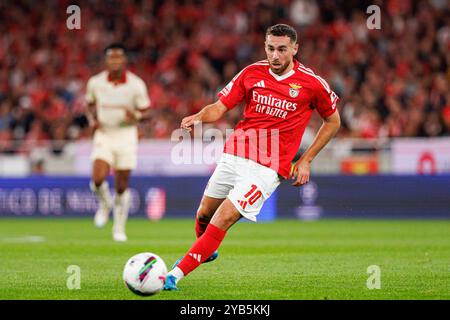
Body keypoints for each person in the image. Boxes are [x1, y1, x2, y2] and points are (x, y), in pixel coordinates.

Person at [163, 24, 341, 290]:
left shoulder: (312, 83)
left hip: (268, 169)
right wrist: (200, 116)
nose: (275, 55)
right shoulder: (251, 73)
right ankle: (205, 250)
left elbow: (333, 121)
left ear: (295, 49)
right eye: (271, 48)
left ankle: (173, 275)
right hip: (235, 154)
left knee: (223, 218)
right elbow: (220, 106)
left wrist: (306, 160)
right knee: (204, 214)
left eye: (282, 49)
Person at [85, 43, 151, 242]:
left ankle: (119, 228)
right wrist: (92, 120)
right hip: (104, 134)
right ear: (106, 61)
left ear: (124, 60)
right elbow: (89, 105)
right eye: (111, 58)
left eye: (118, 58)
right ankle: (105, 204)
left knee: (121, 186)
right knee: (97, 178)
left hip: (126, 135)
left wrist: (137, 116)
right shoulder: (96, 83)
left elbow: (147, 112)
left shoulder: (136, 84)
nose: (114, 61)